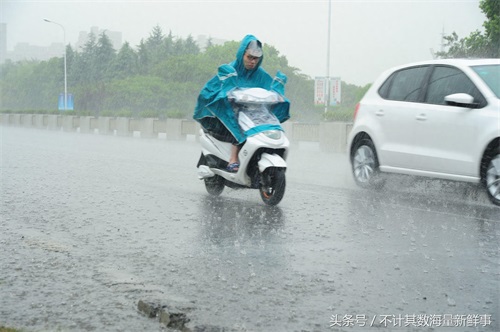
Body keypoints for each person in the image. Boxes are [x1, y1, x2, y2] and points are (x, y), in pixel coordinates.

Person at [194, 35, 289, 172]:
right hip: (230, 112)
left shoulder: (261, 75)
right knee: (237, 122)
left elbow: (271, 92)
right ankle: (233, 158)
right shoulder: (231, 70)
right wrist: (225, 93)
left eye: (256, 59)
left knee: (268, 122)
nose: (252, 62)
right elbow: (210, 91)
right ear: (242, 54)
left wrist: (277, 91)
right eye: (249, 57)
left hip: (254, 113)